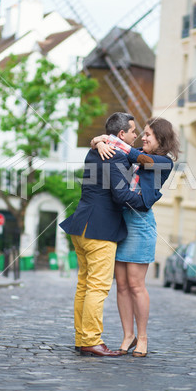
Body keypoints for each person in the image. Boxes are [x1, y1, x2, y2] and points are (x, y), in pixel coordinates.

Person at [59, 113, 152, 357]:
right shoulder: (113, 157)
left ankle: (82, 338)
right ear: (121, 134)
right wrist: (144, 201)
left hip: (81, 226)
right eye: (133, 132)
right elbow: (121, 196)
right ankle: (91, 340)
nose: (136, 136)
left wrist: (98, 140)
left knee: (84, 286)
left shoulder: (96, 151)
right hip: (99, 231)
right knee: (98, 288)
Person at [91, 117, 179, 357]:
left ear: (161, 138)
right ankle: (127, 334)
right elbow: (116, 147)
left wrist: (106, 141)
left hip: (140, 225)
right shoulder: (137, 152)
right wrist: (99, 142)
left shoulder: (163, 162)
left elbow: (130, 153)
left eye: (148, 134)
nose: (143, 137)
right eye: (143, 133)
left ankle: (142, 338)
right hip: (120, 222)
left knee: (136, 285)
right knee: (121, 285)